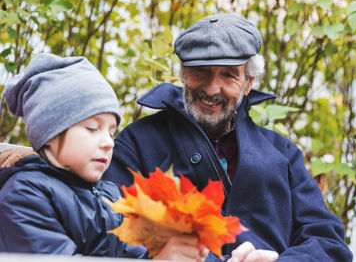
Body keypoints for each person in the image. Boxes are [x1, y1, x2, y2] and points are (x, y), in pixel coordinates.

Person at [103, 13, 353, 261]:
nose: (212, 88)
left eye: (229, 75)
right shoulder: (137, 144)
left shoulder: (282, 153)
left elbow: (328, 242)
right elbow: (108, 230)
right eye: (200, 71)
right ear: (182, 75)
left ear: (248, 83)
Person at [0, 53, 207, 261]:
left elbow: (135, 252)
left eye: (111, 132)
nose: (109, 143)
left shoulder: (109, 195)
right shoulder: (24, 195)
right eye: (92, 128)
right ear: (49, 135)